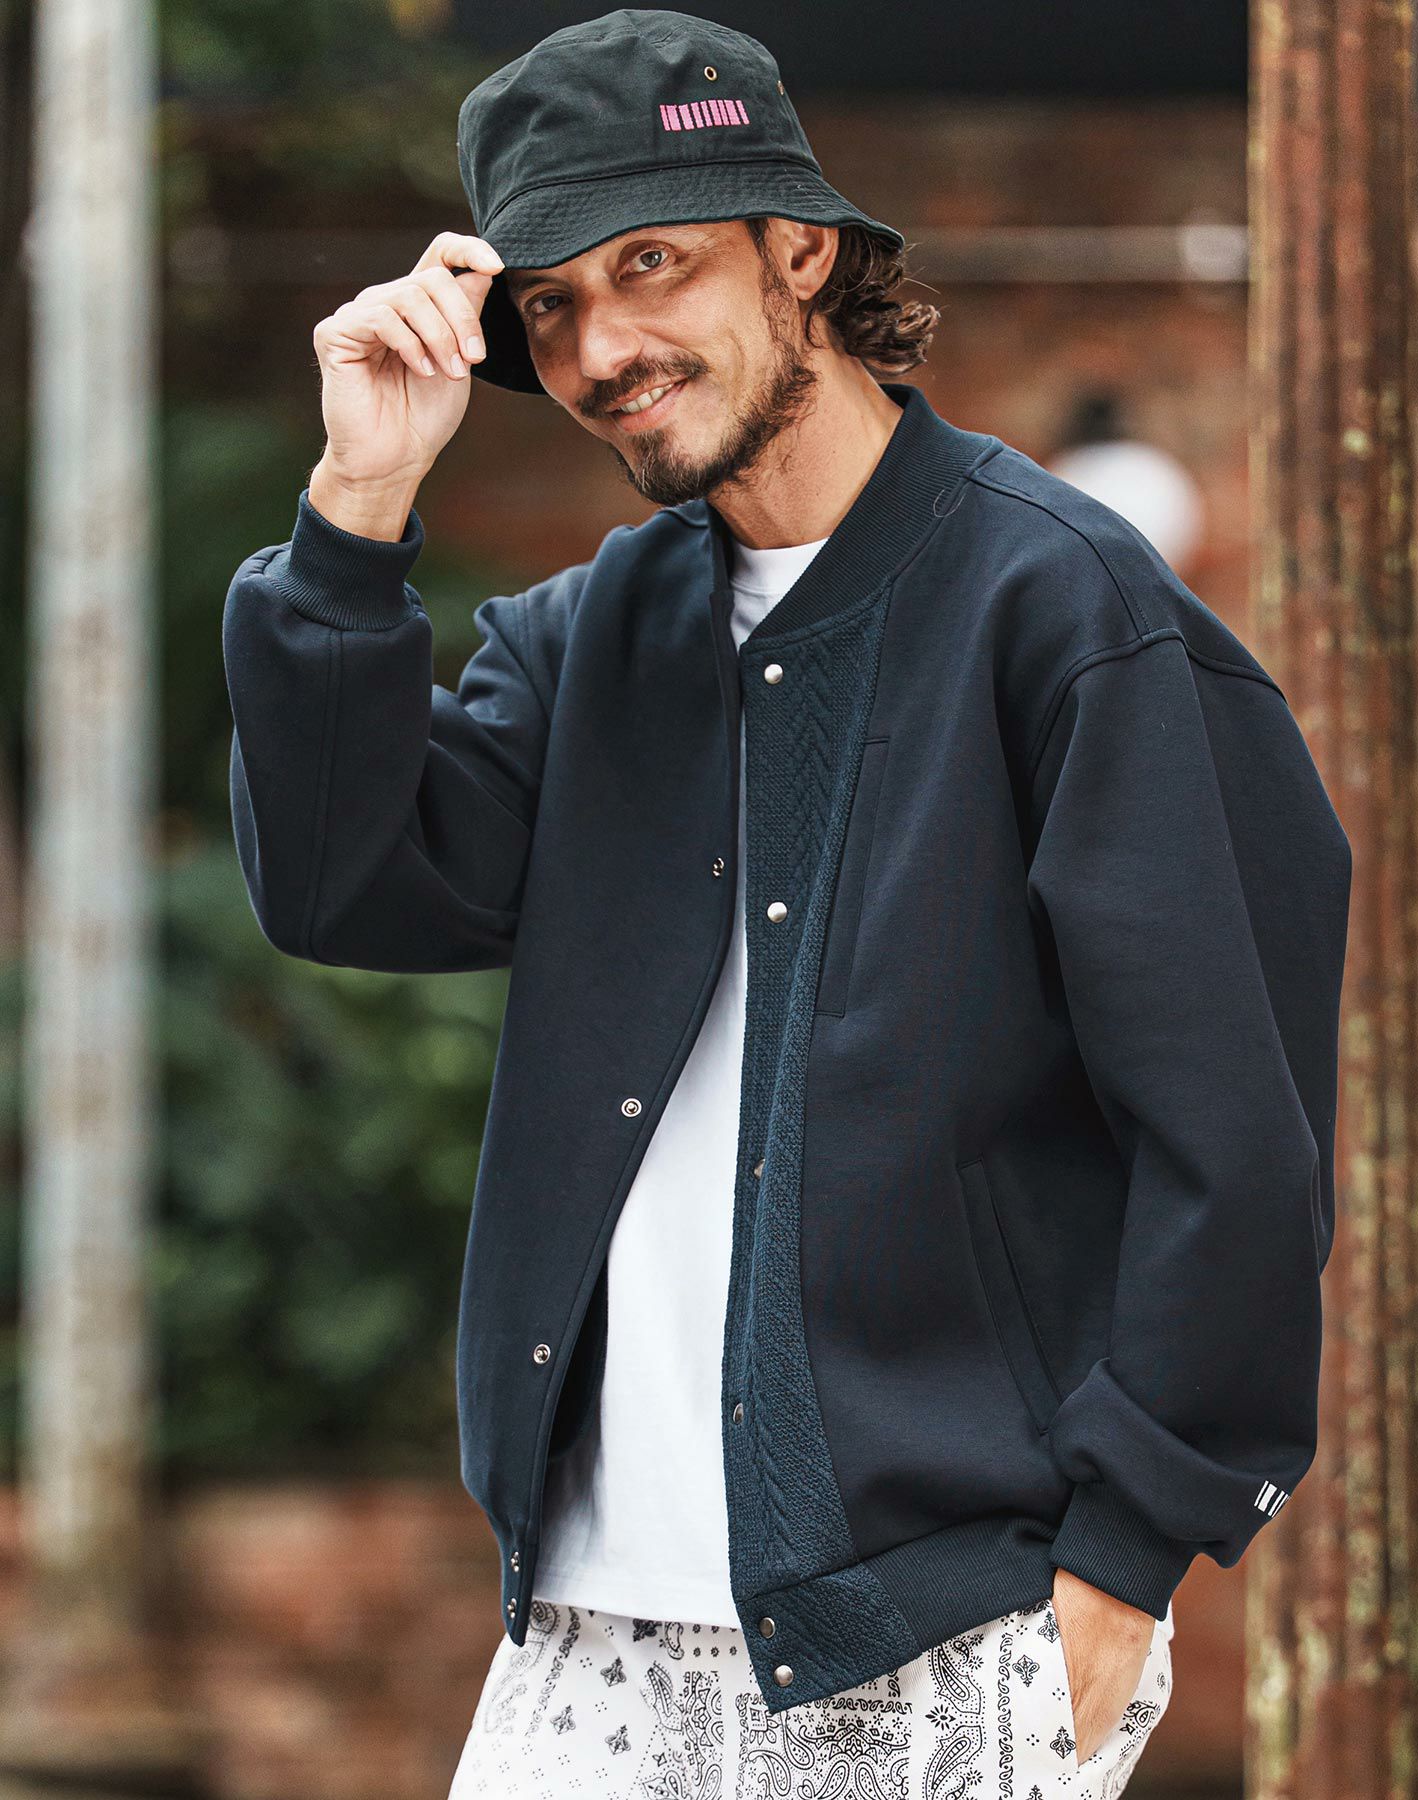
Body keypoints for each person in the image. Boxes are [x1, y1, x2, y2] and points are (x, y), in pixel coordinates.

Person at [220, 11, 1353, 1796]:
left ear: (802, 252)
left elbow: (1236, 1130)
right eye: (549, 306)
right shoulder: (598, 636)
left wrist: (1133, 1547)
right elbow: (342, 879)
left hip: (947, 1620)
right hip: (592, 1613)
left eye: (650, 265)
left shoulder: (1068, 614)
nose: (601, 349)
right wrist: (357, 504)